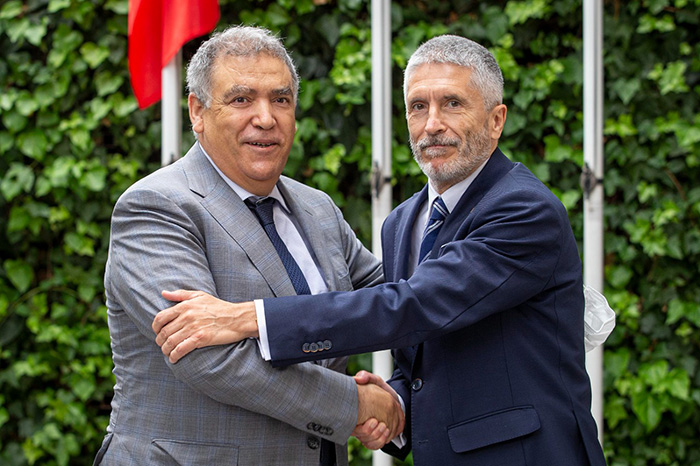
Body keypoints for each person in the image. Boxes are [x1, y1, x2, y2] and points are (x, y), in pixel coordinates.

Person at [153, 34, 608, 465]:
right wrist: (396, 404)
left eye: (453, 104)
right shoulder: (402, 222)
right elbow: (423, 343)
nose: (433, 124)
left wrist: (249, 317)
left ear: (496, 120)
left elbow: (411, 306)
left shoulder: (525, 210)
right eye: (418, 106)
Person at [94, 25, 404, 466]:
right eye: (241, 99)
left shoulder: (317, 208)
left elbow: (393, 303)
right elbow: (209, 358)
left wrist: (400, 396)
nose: (266, 118)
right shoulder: (156, 207)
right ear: (197, 111)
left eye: (281, 99)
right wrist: (353, 405)